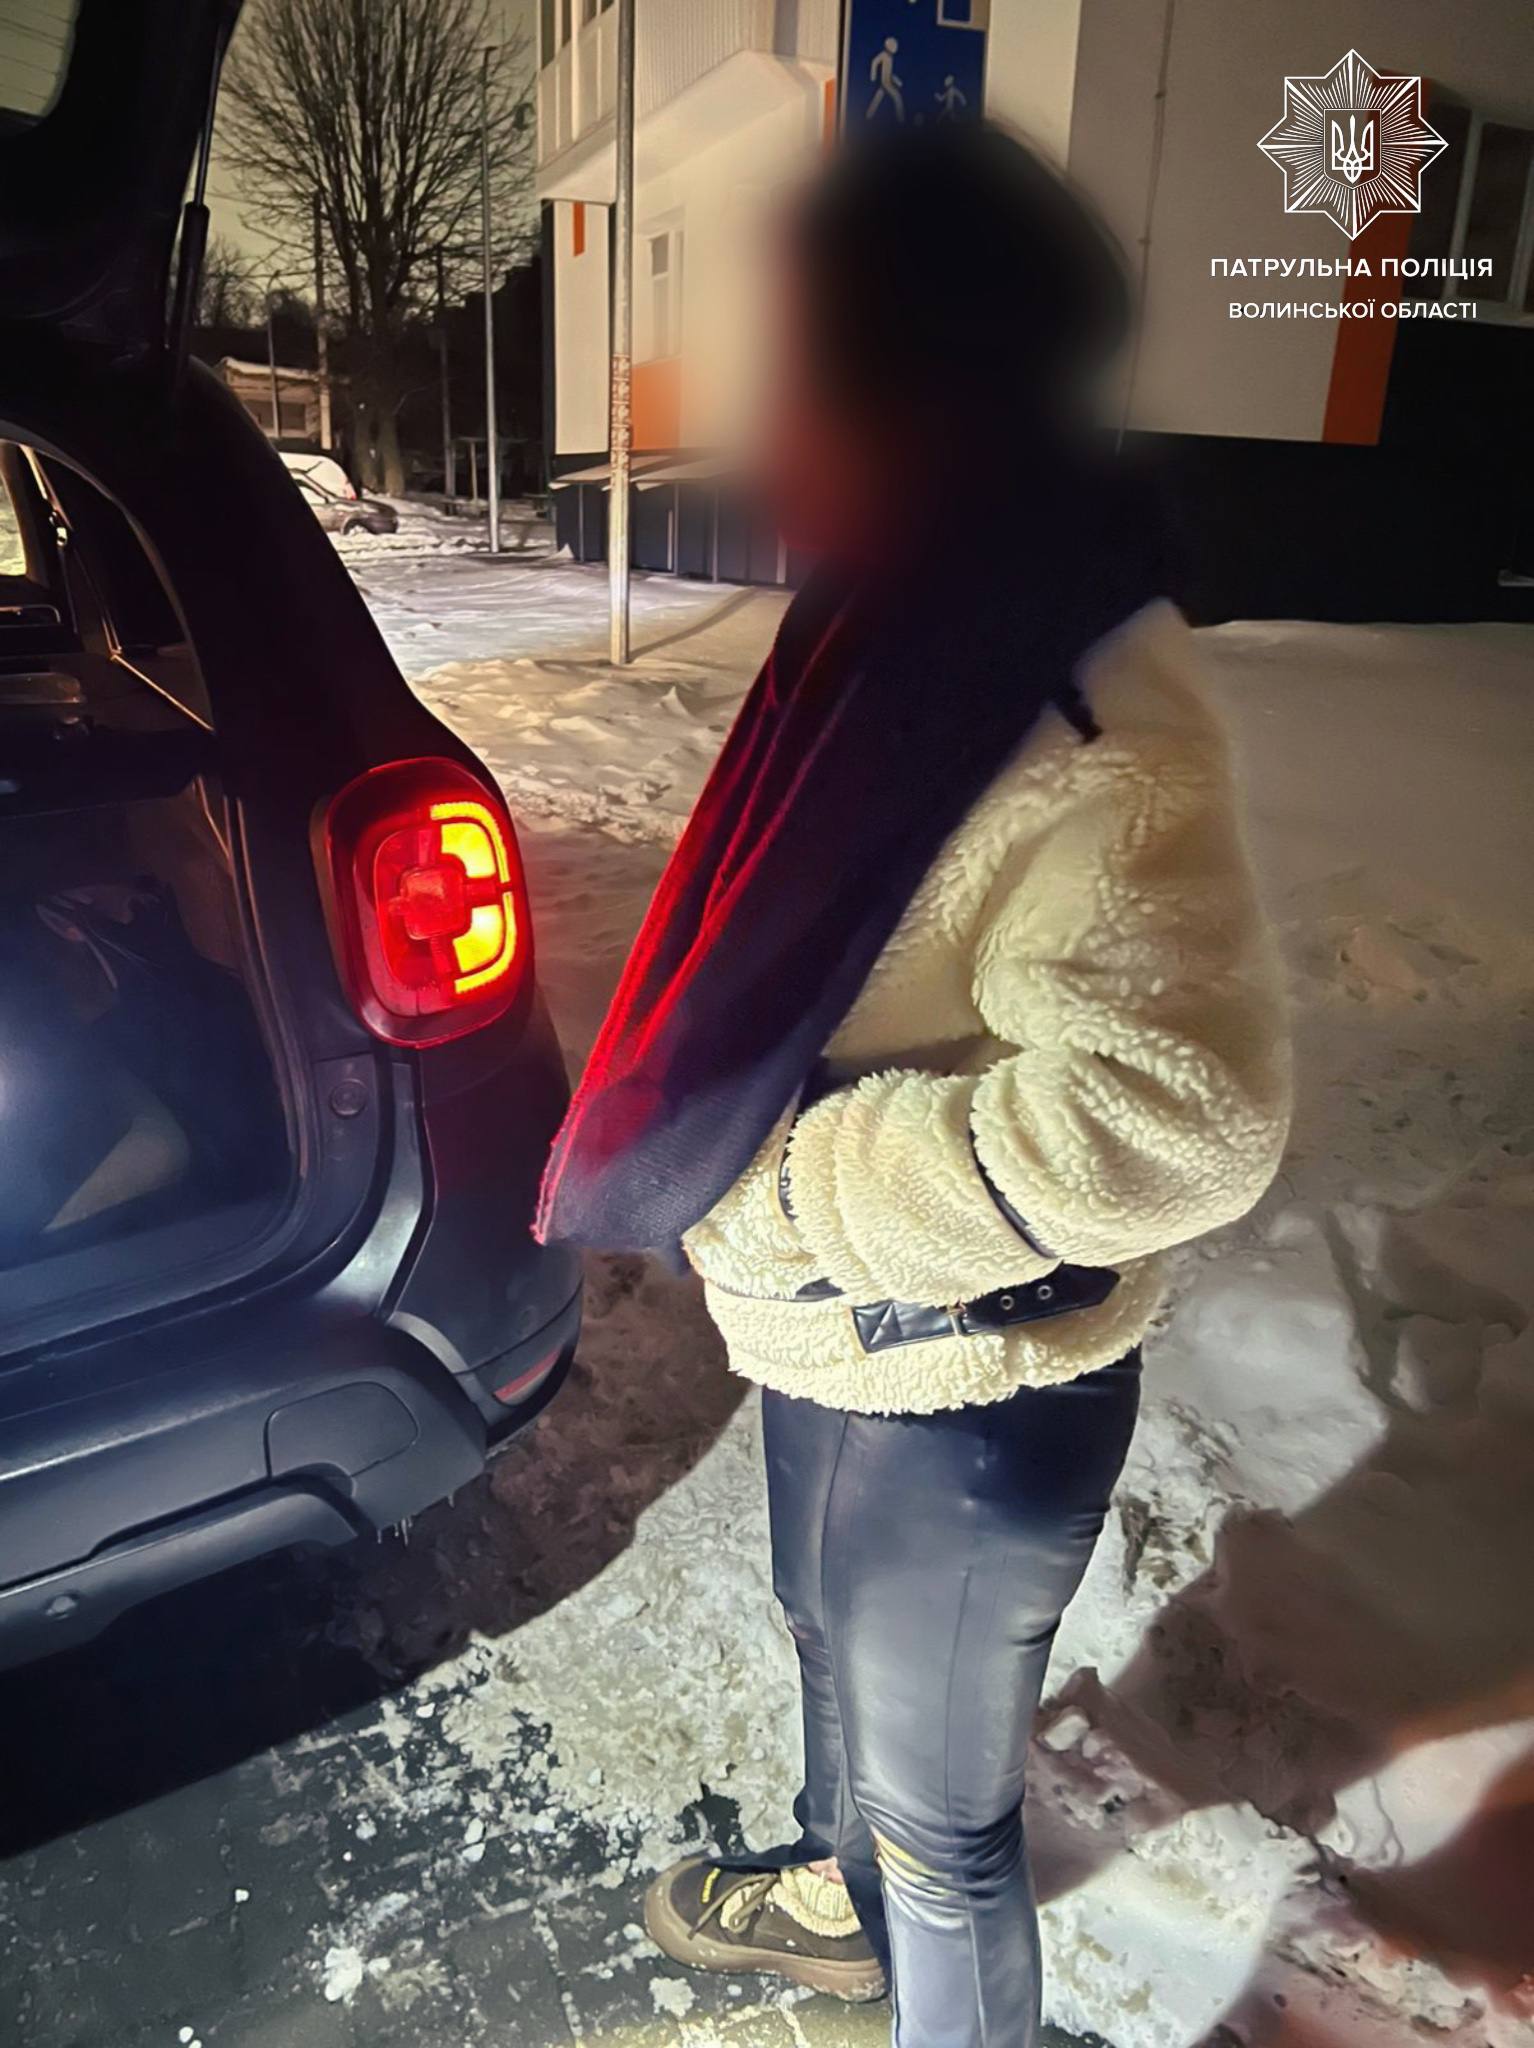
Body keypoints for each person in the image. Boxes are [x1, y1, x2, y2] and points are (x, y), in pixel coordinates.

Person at [536, 124, 1292, 2048]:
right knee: (819, 1640)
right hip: (843, 1337)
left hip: (970, 1383)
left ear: (925, 386)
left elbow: (1181, 1113)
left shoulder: (1082, 710)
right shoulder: (897, 635)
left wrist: (794, 1183)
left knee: (947, 1832)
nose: (764, 417)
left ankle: (915, 1952)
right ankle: (832, 1910)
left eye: (804, 362)